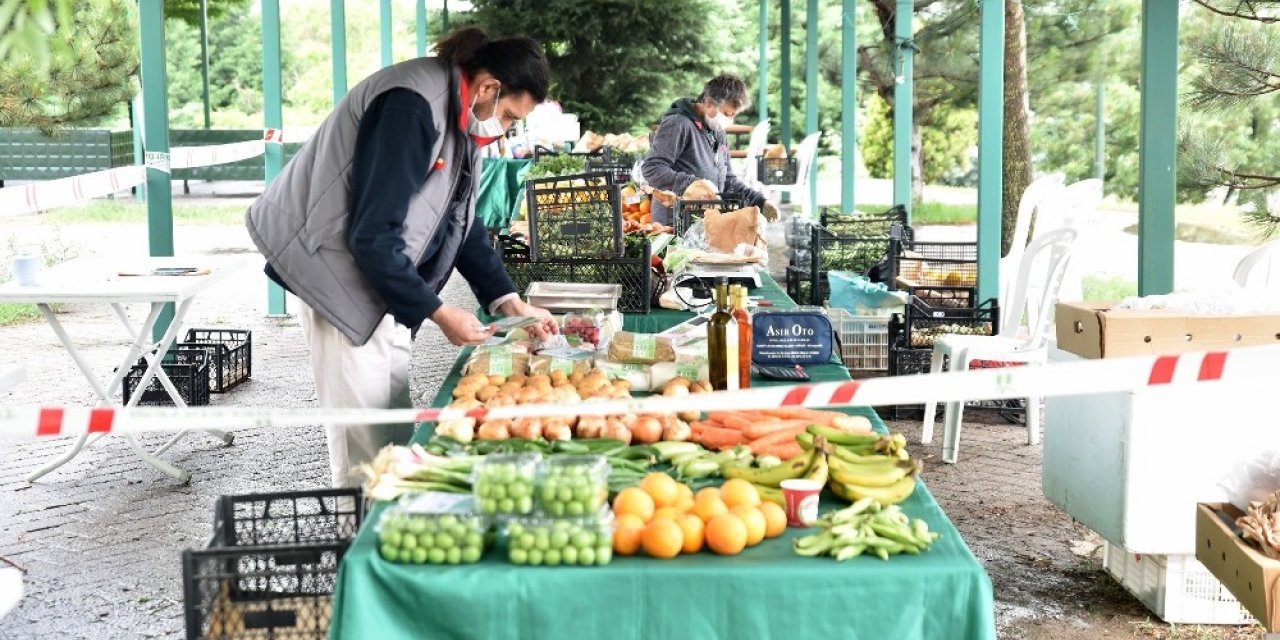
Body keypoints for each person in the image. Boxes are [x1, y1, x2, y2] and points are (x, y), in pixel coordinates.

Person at [245, 27, 558, 487]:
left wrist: (508, 301)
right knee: (367, 447)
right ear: (490, 87)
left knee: (389, 431)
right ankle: (358, 549)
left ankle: (379, 524)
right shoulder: (411, 106)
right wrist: (437, 311)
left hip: (375, 279)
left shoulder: (460, 110)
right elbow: (372, 234)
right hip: (336, 275)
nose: (506, 128)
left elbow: (460, 220)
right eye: (509, 116)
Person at [641, 74, 778, 227]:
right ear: (709, 103)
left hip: (704, 222)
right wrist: (692, 184)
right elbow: (651, 168)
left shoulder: (717, 130)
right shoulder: (678, 124)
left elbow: (728, 180)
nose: (730, 121)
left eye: (734, 116)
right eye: (727, 114)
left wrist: (760, 201)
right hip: (674, 223)